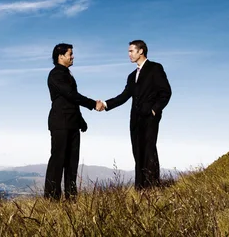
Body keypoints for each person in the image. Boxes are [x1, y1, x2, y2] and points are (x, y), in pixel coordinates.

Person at [100, 40, 172, 190]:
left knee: (149, 150)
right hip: (135, 119)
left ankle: (152, 187)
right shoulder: (132, 75)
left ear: (141, 51)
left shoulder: (155, 68)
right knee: (137, 151)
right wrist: (105, 104)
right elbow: (124, 96)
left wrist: (154, 110)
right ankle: (140, 188)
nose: (129, 54)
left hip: (150, 118)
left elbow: (166, 92)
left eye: (131, 51)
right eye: (129, 51)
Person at [44, 43, 104, 200]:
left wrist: (80, 121)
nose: (72, 56)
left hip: (71, 123)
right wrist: (92, 104)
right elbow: (70, 95)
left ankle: (71, 197)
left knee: (72, 162)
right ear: (61, 56)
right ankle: (52, 198)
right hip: (60, 124)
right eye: (70, 53)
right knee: (58, 161)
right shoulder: (56, 74)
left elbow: (71, 102)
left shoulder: (67, 74)